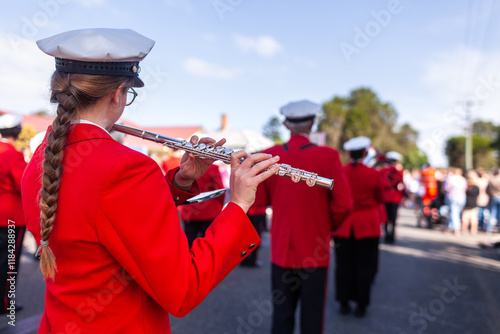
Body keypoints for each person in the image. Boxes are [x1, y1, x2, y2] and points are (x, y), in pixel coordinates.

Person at [21, 28, 280, 333]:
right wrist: (237, 205)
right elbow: (182, 289)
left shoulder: (44, 155)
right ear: (118, 93)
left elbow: (101, 218)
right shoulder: (126, 167)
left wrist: (181, 182)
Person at [252, 100, 353, 334]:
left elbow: (257, 202)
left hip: (282, 248)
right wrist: (327, 227)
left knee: (281, 317)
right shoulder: (328, 156)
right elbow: (344, 204)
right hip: (315, 249)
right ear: (313, 124)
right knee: (312, 319)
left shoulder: (271, 155)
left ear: (287, 125)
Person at [332, 136, 384, 318]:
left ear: (347, 154)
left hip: (343, 225)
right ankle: (361, 304)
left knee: (343, 265)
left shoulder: (340, 172)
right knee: (364, 266)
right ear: (364, 153)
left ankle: (343, 301)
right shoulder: (374, 174)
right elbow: (379, 198)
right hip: (367, 225)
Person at [0, 113, 27, 314]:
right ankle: (4, 304)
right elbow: (23, 185)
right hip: (10, 218)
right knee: (9, 264)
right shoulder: (13, 154)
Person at [181, 164, 225, 248]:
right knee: (209, 243)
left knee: (188, 242)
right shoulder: (213, 168)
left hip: (190, 210)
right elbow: (219, 189)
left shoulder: (186, 166)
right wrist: (220, 205)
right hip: (209, 211)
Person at [379, 151, 405, 243]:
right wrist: (402, 196)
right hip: (395, 197)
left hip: (385, 196)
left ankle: (386, 235)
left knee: (386, 218)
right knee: (393, 218)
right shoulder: (399, 172)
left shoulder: (383, 171)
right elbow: (402, 186)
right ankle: (392, 236)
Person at [444, 167, 467, 236]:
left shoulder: (450, 178)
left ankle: (456, 229)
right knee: (456, 213)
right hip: (461, 198)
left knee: (454, 213)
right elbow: (465, 188)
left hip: (453, 197)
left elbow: (446, 188)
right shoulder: (463, 179)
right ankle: (450, 226)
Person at [486, 169, 500, 234]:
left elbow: (487, 190)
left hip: (494, 197)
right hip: (496, 197)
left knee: (492, 213)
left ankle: (489, 228)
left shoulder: (492, 180)